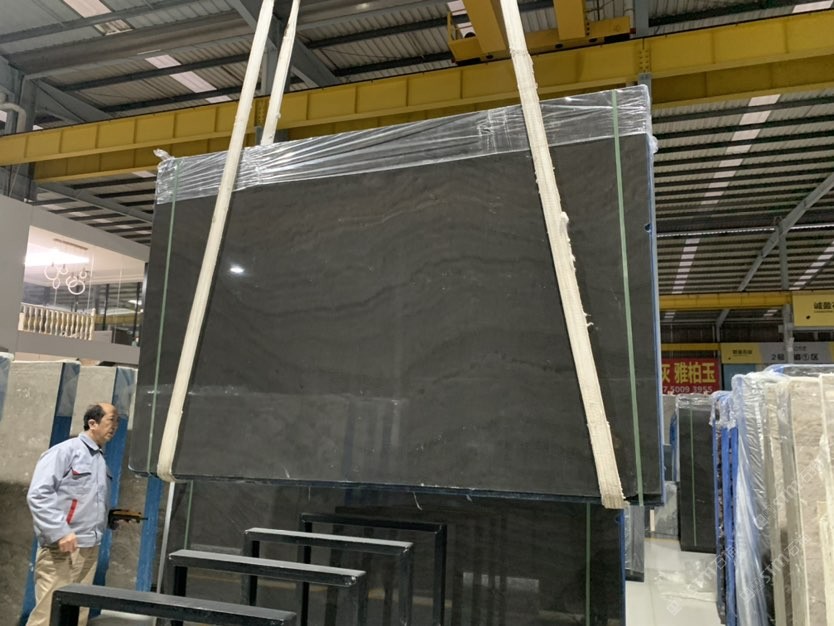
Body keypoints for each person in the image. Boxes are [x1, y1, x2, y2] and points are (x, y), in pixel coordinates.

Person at [25, 403, 119, 626]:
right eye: (111, 420)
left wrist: (109, 517)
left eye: (117, 421)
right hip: (62, 549)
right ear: (92, 423)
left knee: (76, 616)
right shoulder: (65, 451)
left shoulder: (99, 459)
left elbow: (84, 499)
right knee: (49, 615)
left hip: (88, 547)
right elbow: (38, 494)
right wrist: (60, 531)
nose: (115, 426)